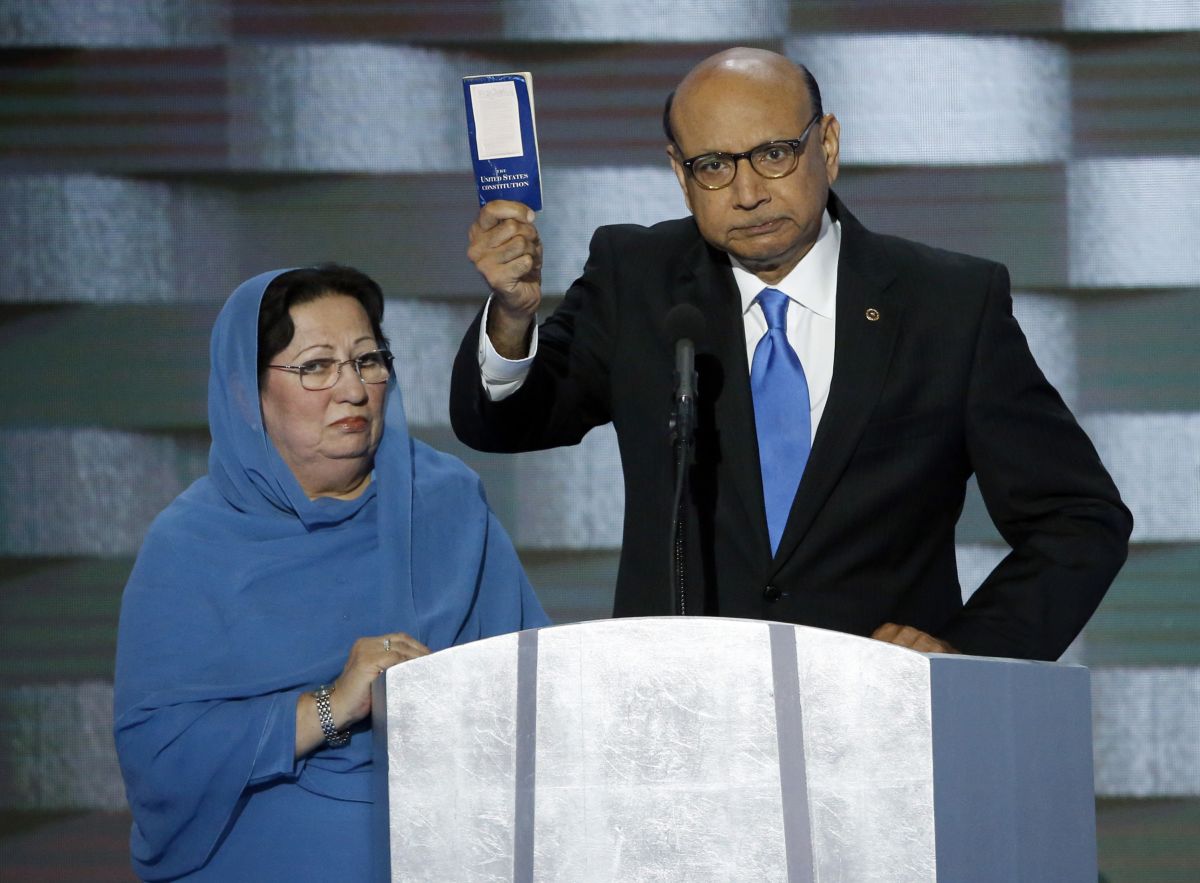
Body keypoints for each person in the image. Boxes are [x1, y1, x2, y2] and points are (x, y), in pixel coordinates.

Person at [449, 47, 1131, 661]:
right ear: (679, 175)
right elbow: (507, 421)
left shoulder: (947, 303)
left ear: (826, 145)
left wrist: (966, 653)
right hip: (683, 722)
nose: (747, 193)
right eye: (713, 166)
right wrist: (513, 315)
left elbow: (1078, 520)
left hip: (881, 728)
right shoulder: (639, 278)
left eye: (774, 153)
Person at [114, 264, 548, 880]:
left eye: (368, 360)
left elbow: (534, 693)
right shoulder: (190, 545)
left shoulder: (447, 502)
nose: (352, 389)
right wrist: (332, 705)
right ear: (246, 391)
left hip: (455, 841)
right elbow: (159, 759)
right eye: (316, 366)